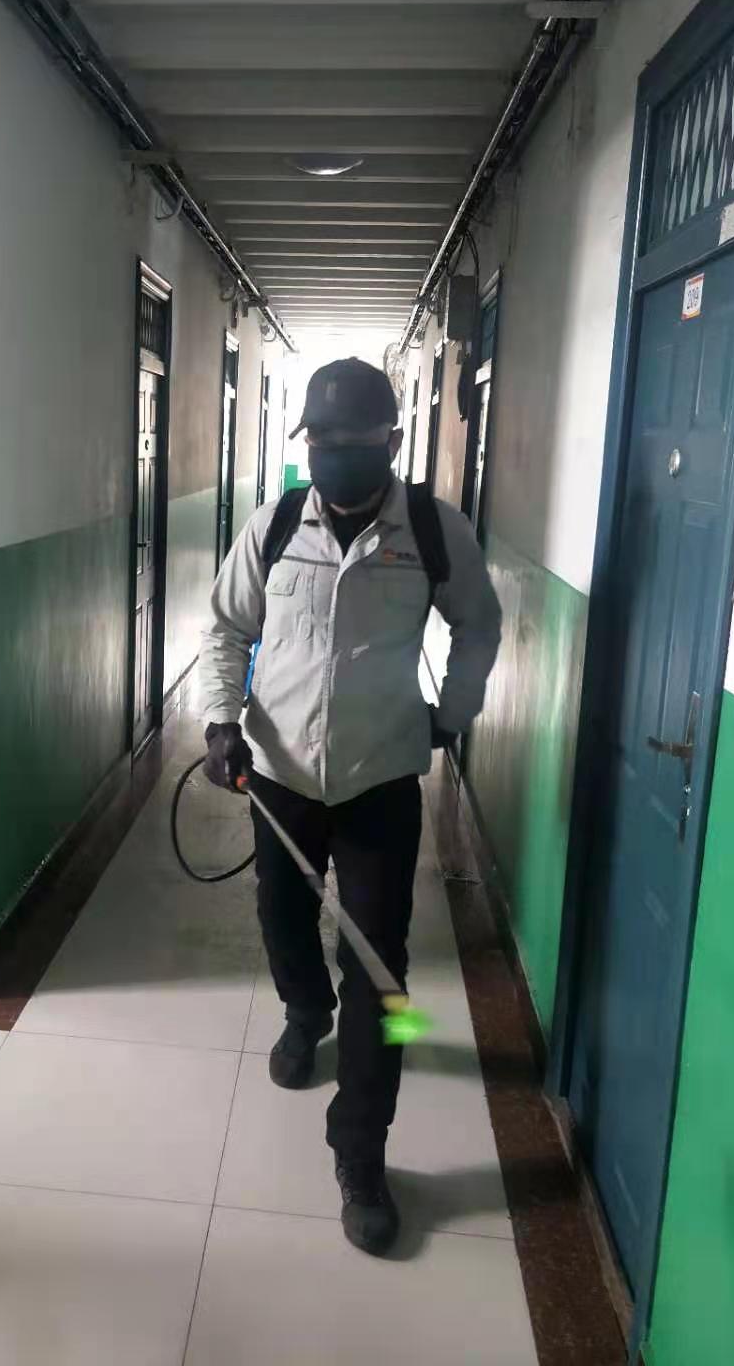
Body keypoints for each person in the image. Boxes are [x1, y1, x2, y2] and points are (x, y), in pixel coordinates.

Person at [199, 357, 501, 1255]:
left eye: (350, 442)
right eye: (320, 441)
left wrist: (452, 713)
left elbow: (478, 624)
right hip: (281, 775)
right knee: (282, 919)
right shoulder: (276, 523)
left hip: (380, 781)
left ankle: (361, 1154)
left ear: (391, 444)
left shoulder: (434, 532)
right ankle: (305, 1013)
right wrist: (221, 721)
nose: (331, 455)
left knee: (380, 968)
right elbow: (227, 625)